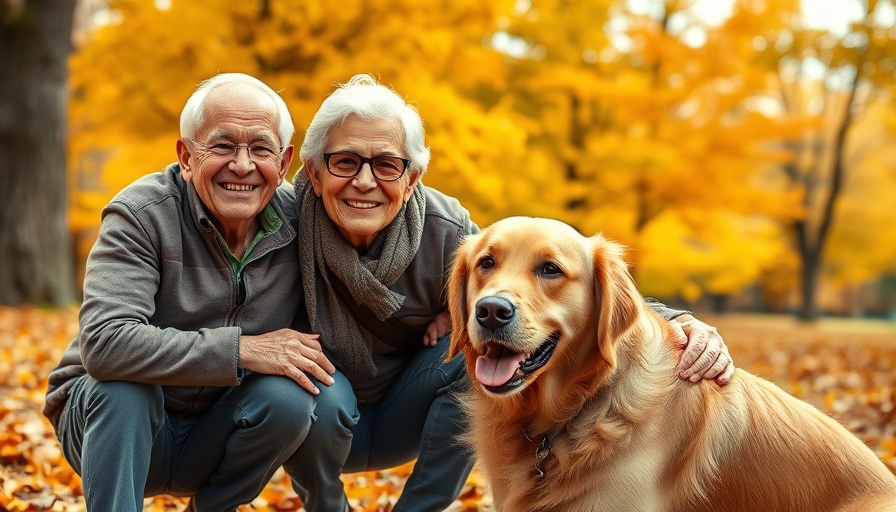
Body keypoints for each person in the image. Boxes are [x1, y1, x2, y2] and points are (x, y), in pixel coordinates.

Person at [285, 74, 735, 512]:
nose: (365, 181)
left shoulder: (448, 230)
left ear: (413, 178)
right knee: (298, 382)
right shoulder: (280, 226)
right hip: (319, 418)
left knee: (467, 349)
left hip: (404, 412)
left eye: (387, 164)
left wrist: (679, 321)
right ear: (314, 171)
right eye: (345, 161)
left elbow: (568, 282)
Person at [43, 73, 339, 511]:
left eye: (261, 148)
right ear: (185, 155)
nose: (242, 165)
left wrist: (444, 301)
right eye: (222, 146)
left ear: (284, 161)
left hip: (216, 429)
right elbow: (105, 345)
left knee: (290, 398)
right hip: (112, 428)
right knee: (125, 389)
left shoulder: (303, 221)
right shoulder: (140, 214)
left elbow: (391, 215)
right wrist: (241, 351)